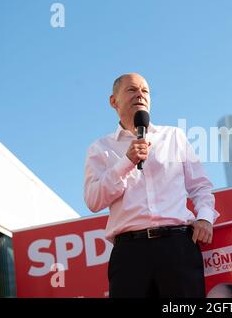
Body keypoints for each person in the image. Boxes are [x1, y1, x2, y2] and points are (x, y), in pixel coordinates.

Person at [84, 73, 219, 298]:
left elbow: (200, 186)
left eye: (145, 90)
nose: (140, 94)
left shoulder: (174, 136)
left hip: (178, 248)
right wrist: (126, 162)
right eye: (131, 89)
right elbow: (93, 200)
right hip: (130, 254)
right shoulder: (100, 148)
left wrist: (205, 217)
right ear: (113, 101)